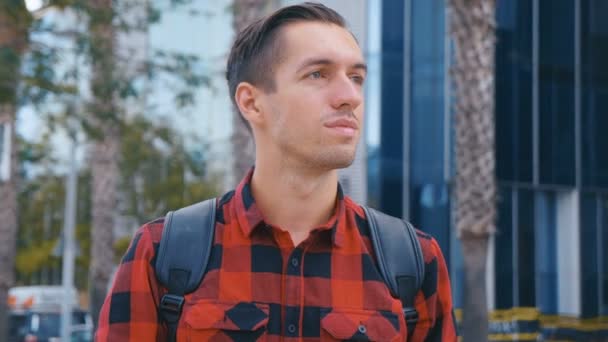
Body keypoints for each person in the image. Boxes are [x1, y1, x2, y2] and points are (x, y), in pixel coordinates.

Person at [96, 2, 457, 341]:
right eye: (318, 74)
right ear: (252, 102)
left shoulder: (411, 261)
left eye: (357, 77)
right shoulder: (163, 254)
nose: (350, 95)